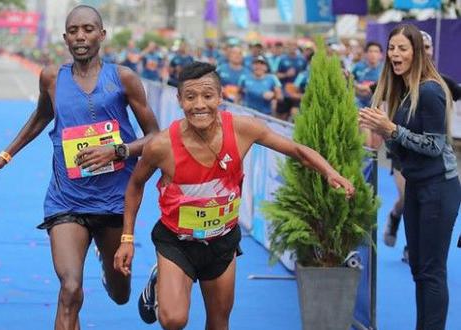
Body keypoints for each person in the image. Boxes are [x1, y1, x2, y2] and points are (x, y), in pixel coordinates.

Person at [114, 62, 355, 330]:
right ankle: (162, 278)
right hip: (177, 241)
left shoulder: (243, 130)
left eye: (207, 96)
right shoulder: (161, 146)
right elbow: (135, 186)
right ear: (179, 100)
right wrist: (127, 238)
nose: (199, 105)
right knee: (173, 320)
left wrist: (329, 172)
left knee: (219, 323)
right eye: (190, 97)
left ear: (220, 97)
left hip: (222, 240)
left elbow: (296, 150)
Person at [0, 5, 159, 330]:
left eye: (88, 29)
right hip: (66, 200)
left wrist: (117, 150)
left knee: (120, 293)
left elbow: (157, 136)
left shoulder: (123, 78)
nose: (81, 36)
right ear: (65, 38)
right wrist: (3, 156)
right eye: (73, 31)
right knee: (70, 288)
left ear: (102, 35)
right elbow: (41, 117)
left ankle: (122, 274)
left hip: (114, 200)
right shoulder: (51, 77)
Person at [359, 24, 460, 330]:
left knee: (431, 272)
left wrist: (391, 129)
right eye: (392, 48)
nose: (394, 54)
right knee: (418, 269)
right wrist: (382, 131)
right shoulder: (404, 90)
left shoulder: (430, 90)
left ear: (417, 52)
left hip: (438, 188)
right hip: (416, 187)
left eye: (402, 48)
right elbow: (402, 147)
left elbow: (434, 146)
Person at [381, 30, 461, 263]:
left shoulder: (438, 84)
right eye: (393, 49)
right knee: (406, 197)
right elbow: (375, 92)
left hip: (433, 165)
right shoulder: (397, 79)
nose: (397, 55)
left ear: (429, 52)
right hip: (401, 154)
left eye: (427, 48)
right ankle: (396, 217)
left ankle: (410, 245)